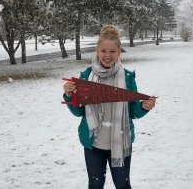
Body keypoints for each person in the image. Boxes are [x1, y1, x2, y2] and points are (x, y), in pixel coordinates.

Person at [62, 24, 156, 189]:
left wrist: (144, 107)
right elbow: (78, 112)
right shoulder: (86, 76)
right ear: (97, 51)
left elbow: (133, 111)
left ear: (119, 52)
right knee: (95, 185)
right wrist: (69, 95)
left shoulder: (127, 77)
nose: (107, 55)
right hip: (93, 144)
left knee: (122, 185)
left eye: (112, 51)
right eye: (103, 51)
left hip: (120, 142)